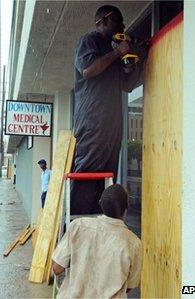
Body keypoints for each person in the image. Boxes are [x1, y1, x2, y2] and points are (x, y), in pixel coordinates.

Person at [71, 5, 148, 214]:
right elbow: (88, 69)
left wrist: (132, 64)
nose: (122, 26)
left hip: (112, 124)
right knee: (88, 174)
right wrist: (117, 52)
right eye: (118, 22)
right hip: (93, 122)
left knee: (107, 175)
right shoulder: (89, 41)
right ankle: (79, 225)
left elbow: (128, 85)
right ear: (102, 21)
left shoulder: (114, 50)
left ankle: (101, 223)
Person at [52, 184, 142, 298]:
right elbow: (129, 286)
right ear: (126, 208)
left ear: (100, 204)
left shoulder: (78, 226)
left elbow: (57, 268)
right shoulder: (134, 243)